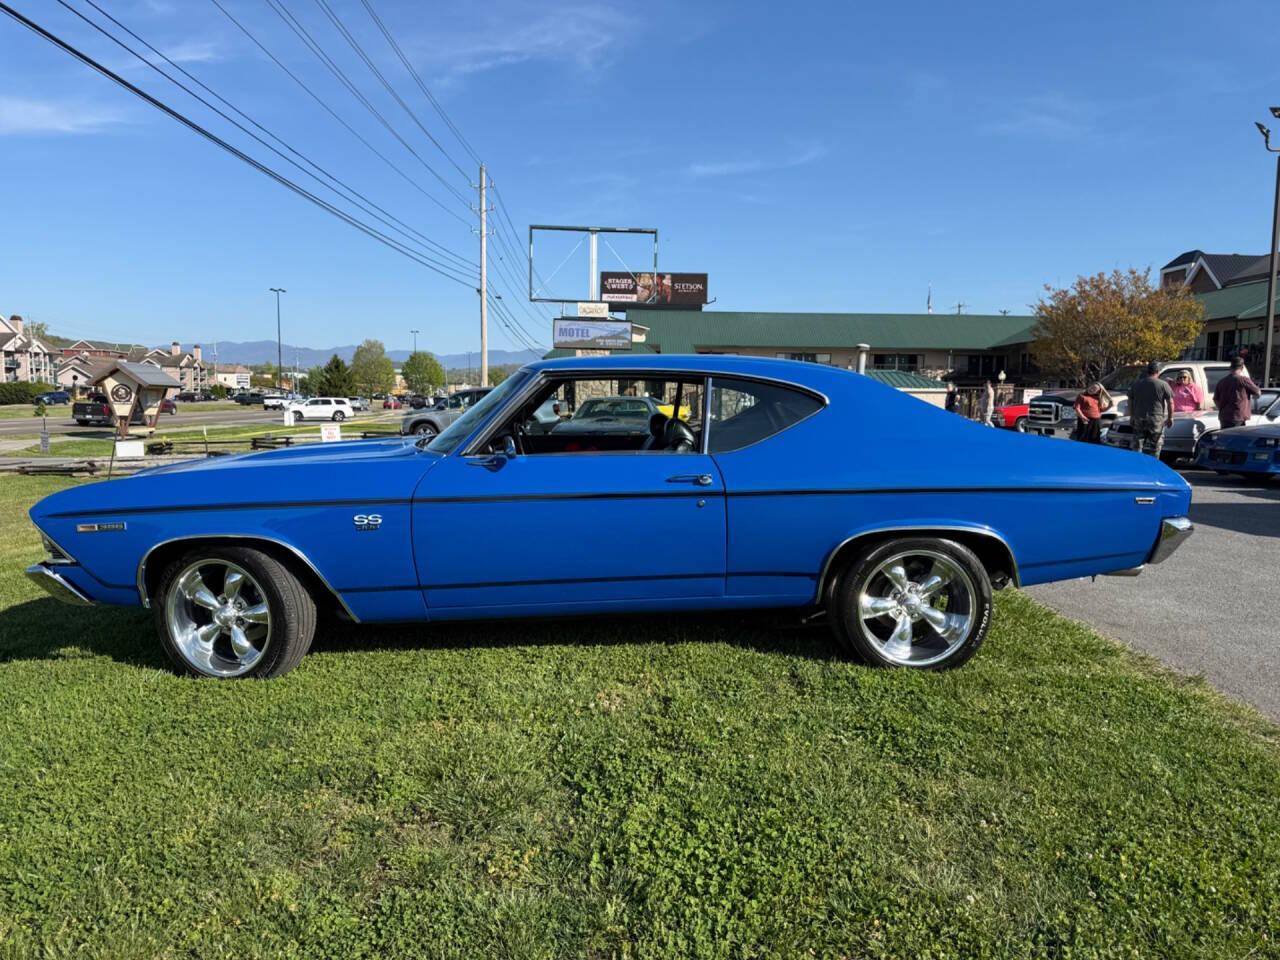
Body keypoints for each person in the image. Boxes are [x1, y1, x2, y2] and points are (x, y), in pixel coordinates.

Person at [1128, 361, 1174, 457]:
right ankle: (1152, 467)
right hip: (1156, 418)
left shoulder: (1136, 384)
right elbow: (1170, 402)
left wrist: (1131, 416)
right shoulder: (1163, 384)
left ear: (1147, 371)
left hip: (1139, 417)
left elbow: (1130, 401)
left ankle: (1136, 466)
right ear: (1158, 371)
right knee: (1154, 445)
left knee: (1137, 444)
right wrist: (1170, 418)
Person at [1213, 356, 1261, 429]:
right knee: (1236, 439)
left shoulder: (1221, 381)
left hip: (1224, 417)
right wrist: (1255, 396)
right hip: (1238, 417)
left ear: (1230, 367)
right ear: (1242, 368)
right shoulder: (1243, 380)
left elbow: (1215, 399)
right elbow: (1257, 392)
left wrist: (1222, 408)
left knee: (1225, 438)